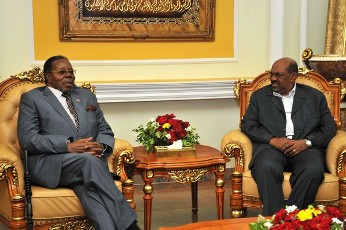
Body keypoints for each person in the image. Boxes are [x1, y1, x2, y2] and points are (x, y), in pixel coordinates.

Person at [17, 55, 140, 230]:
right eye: (61, 72)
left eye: (70, 71)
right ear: (48, 76)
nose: (69, 75)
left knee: (88, 187)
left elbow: (104, 129)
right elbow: (27, 139)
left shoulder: (86, 96)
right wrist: (67, 145)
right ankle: (130, 226)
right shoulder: (33, 98)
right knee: (88, 162)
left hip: (85, 167)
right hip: (49, 163)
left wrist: (102, 146)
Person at [240, 57, 337, 216]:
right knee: (265, 167)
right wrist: (272, 140)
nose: (272, 79)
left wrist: (307, 142)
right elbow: (247, 125)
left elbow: (330, 126)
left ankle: (291, 219)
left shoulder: (315, 96)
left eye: (278, 75)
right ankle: (274, 219)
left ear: (293, 76)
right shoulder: (260, 97)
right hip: (271, 148)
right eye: (272, 74)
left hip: (305, 149)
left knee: (312, 170)